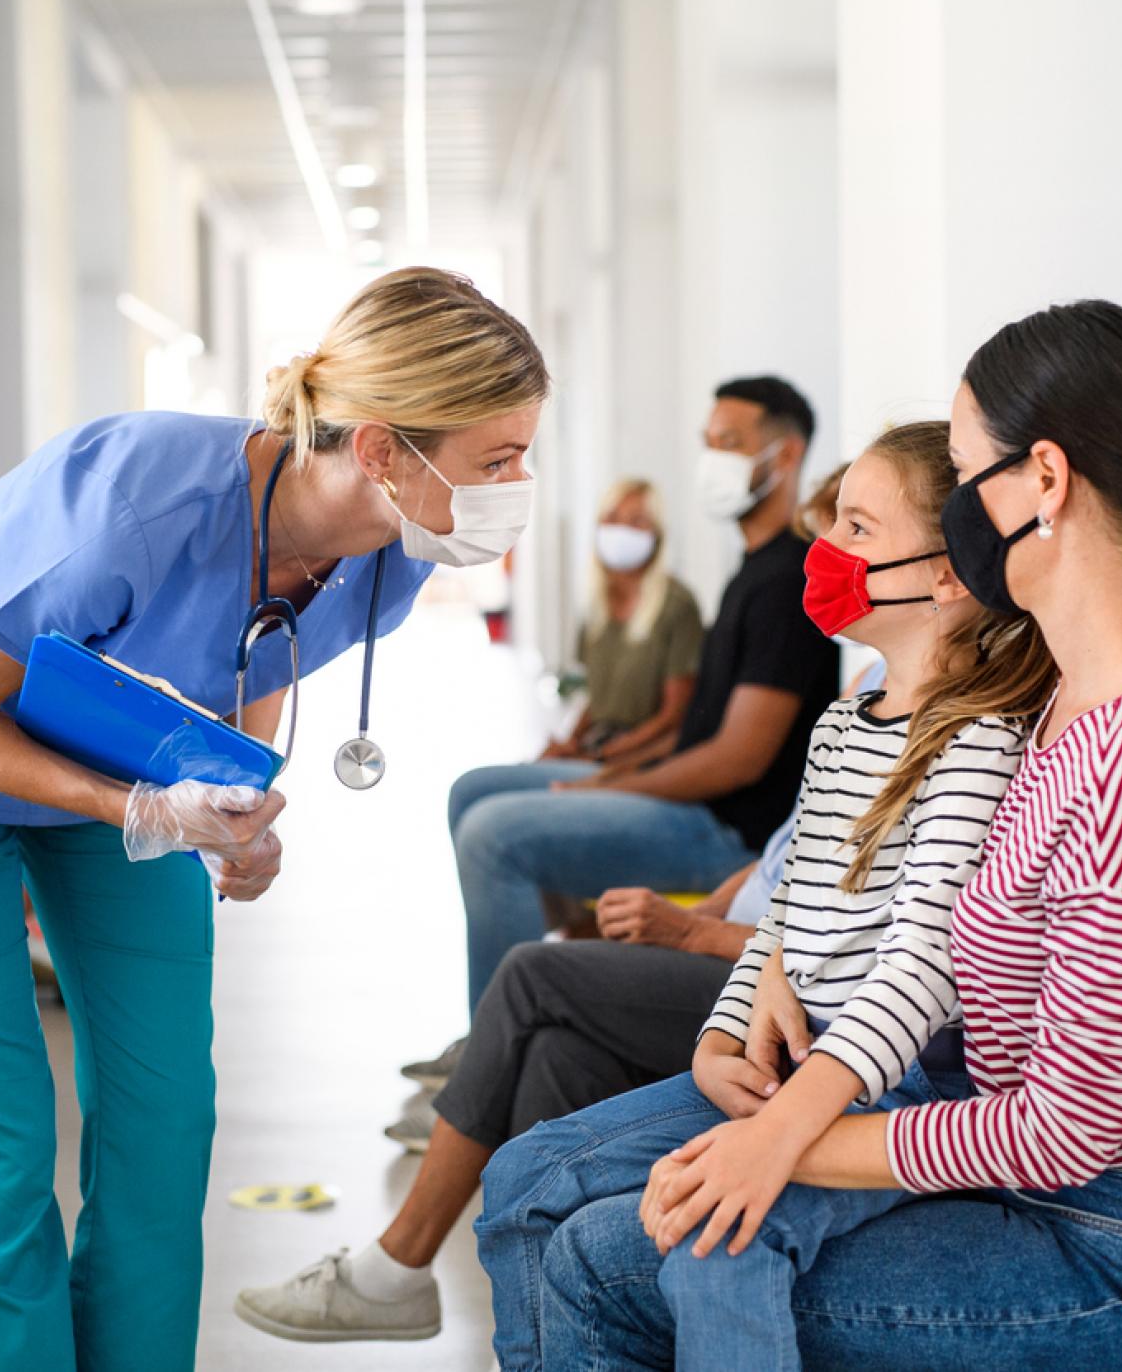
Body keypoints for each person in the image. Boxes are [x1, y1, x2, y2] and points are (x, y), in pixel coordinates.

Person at [527, 301, 1122, 1371]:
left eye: (962, 471)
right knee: (598, 1229)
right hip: (1064, 1203)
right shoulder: (1065, 705)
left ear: (1042, 481)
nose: (953, 515)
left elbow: (1063, 1128)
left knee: (602, 1267)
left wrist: (784, 1144)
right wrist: (774, 986)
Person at [0, 267, 549, 1371]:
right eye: (497, 458)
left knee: (163, 1116)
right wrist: (142, 806)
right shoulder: (133, 502)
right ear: (383, 450)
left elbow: (249, 650)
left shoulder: (390, 553)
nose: (517, 483)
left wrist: (231, 811)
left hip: (111, 739)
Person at [473, 419, 1049, 1366]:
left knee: (719, 1242)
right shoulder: (842, 725)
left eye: (857, 530)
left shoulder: (979, 740)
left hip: (884, 1095)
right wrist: (716, 1041)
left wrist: (785, 1123)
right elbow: (787, 918)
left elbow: (924, 966)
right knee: (524, 1178)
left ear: (948, 576)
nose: (826, 553)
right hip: (783, 1066)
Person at [404, 375, 837, 1103]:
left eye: (728, 445)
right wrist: (600, 767)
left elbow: (738, 758)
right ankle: (492, 1025)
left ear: (785, 456)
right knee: (473, 788)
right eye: (708, 444)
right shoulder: (749, 574)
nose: (710, 461)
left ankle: (490, 1065)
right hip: (688, 801)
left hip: (720, 830)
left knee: (494, 834)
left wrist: (606, 785)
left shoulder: (790, 581)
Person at [235, 808, 795, 1343]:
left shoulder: (870, 732)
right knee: (556, 1054)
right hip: (739, 947)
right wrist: (704, 914)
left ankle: (400, 1262)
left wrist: (693, 935)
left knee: (530, 975)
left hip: (777, 989)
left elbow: (838, 941)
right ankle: (539, 1343)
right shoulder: (844, 727)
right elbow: (782, 857)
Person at [541, 479, 703, 766]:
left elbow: (673, 716)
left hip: (642, 758)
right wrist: (571, 743)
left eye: (637, 521)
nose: (622, 531)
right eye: (613, 519)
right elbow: (598, 700)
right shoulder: (595, 606)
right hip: (598, 745)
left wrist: (601, 755)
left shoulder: (678, 605)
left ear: (657, 535)